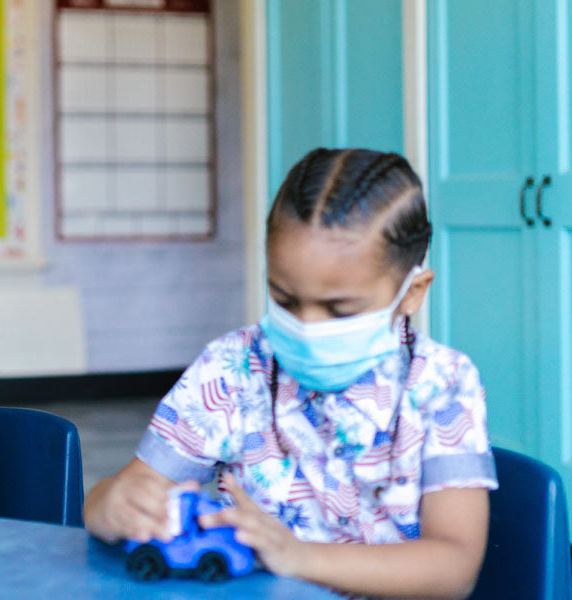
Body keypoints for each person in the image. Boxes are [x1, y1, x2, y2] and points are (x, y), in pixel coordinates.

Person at [84, 148, 497, 599]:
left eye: (339, 310)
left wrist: (299, 556)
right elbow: (124, 490)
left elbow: (454, 568)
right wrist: (109, 507)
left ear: (411, 292)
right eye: (284, 299)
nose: (307, 327)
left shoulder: (443, 383)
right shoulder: (233, 367)